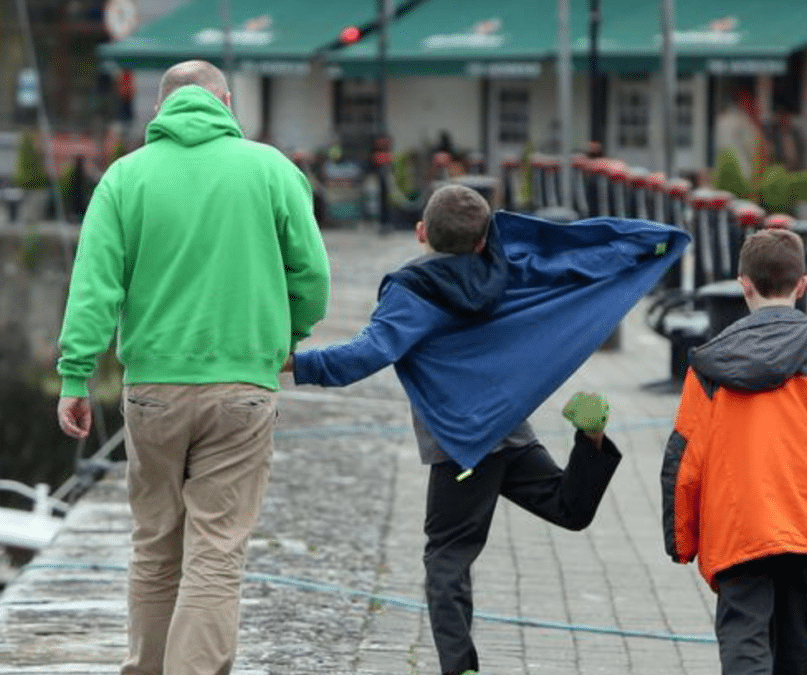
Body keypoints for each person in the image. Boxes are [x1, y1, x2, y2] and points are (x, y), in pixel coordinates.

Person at [287, 183, 691, 675]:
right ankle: (593, 439)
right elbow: (576, 261)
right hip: (508, 429)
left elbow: (363, 356)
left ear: (421, 232)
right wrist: (648, 245)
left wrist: (290, 364)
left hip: (462, 444)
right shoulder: (509, 265)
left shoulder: (412, 291)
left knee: (446, 562)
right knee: (568, 507)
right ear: (483, 240)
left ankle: (461, 669)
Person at [56, 60, 330, 675]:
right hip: (243, 388)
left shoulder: (125, 179)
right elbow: (312, 275)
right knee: (215, 551)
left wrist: (77, 376)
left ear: (159, 110)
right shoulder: (270, 171)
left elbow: (94, 289)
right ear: (226, 103)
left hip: (153, 387)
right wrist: (288, 335)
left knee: (155, 546)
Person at [662, 228, 807, 675]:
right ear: (802, 284)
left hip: (736, 520)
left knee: (744, 629)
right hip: (801, 515)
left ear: (744, 284)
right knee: (793, 626)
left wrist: (682, 540)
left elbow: (684, 461)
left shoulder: (709, 364)